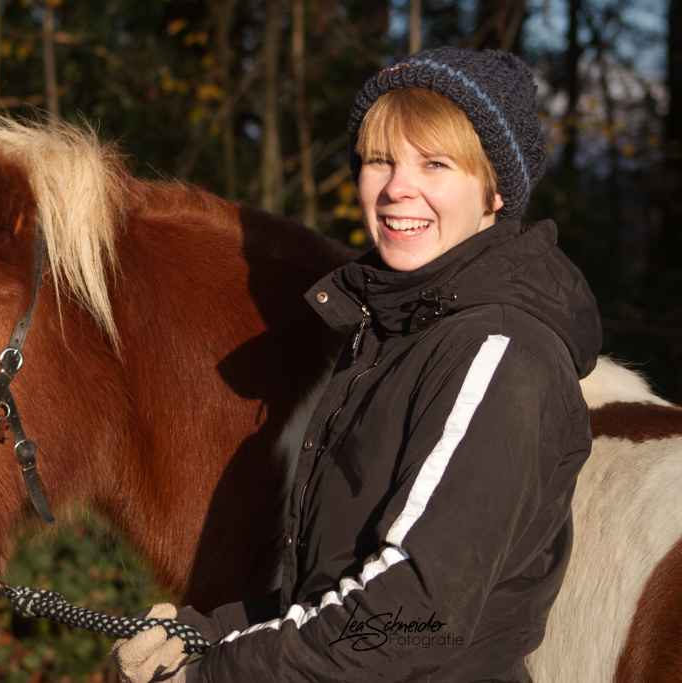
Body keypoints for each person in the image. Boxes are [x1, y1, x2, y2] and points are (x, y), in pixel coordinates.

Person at [111, 46, 602, 683]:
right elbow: (331, 592)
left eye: (435, 163)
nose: (399, 187)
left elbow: (415, 613)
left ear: (496, 190)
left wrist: (216, 675)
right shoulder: (397, 338)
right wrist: (202, 633)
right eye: (379, 160)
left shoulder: (497, 354)